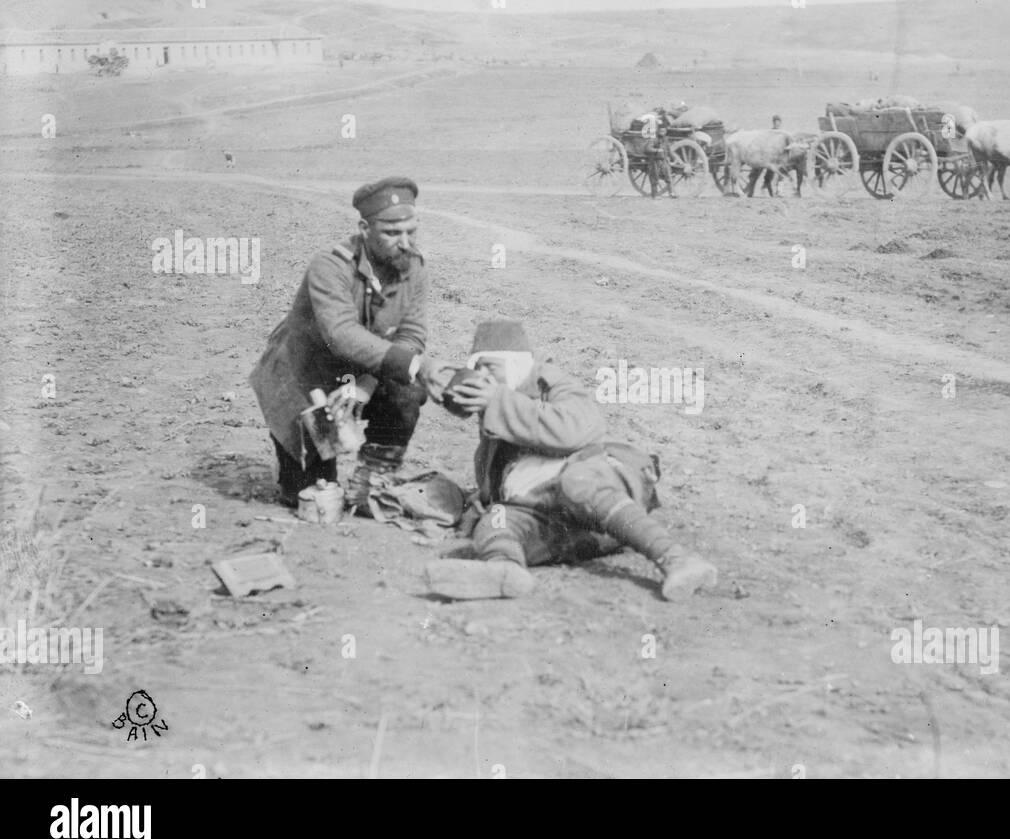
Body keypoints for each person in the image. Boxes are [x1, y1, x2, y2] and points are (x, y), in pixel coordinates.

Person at [423, 320, 718, 602]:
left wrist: (497, 401)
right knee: (497, 522)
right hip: (566, 524)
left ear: (515, 364)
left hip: (600, 498)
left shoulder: (551, 383)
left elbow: (574, 430)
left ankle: (677, 559)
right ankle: (503, 570)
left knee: (577, 482)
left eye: (490, 366)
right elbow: (495, 483)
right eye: (477, 368)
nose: (483, 376)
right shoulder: (498, 406)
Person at [249, 177, 456, 509]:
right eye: (392, 233)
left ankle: (373, 478)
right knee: (309, 495)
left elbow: (411, 336)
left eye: (411, 231)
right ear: (365, 228)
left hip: (360, 372)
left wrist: (365, 385)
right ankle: (301, 467)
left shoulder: (413, 267)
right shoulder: (330, 266)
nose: (404, 242)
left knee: (406, 388)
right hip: (304, 376)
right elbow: (341, 333)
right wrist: (418, 365)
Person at [639, 108, 675, 199]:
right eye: (661, 131)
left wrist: (675, 159)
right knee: (654, 178)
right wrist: (656, 151)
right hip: (655, 161)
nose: (663, 132)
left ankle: (672, 193)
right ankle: (654, 195)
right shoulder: (653, 138)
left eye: (664, 131)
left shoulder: (665, 139)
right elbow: (648, 148)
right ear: (658, 131)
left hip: (664, 161)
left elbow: (669, 150)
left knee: (668, 177)